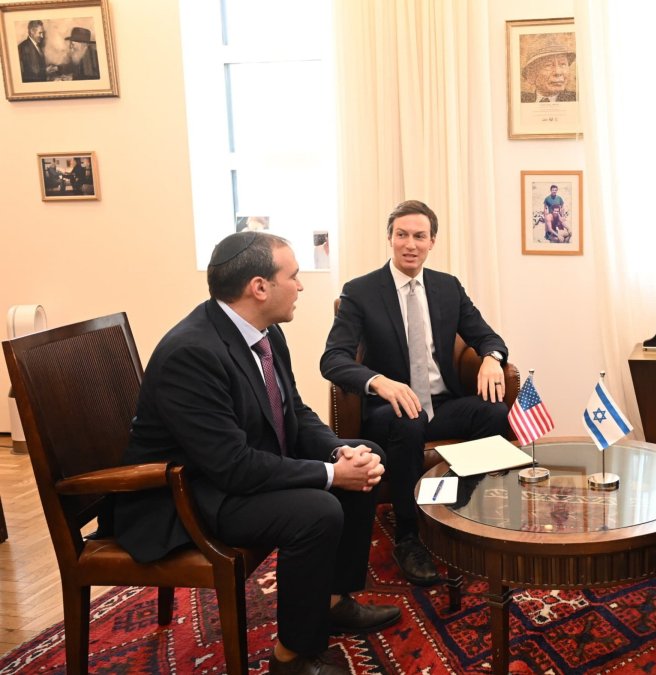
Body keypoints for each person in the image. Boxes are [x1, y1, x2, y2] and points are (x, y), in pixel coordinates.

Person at [115, 232, 401, 675]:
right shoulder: (192, 352)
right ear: (259, 287)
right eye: (294, 276)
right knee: (317, 509)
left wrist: (339, 454)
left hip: (232, 472)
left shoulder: (264, 332)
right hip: (188, 495)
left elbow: (295, 413)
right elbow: (231, 467)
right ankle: (292, 656)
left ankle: (332, 600)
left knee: (363, 453)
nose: (302, 286)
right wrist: (329, 475)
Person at [321, 200, 511, 587]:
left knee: (493, 413)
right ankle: (410, 536)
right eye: (402, 235)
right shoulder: (360, 292)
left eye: (419, 236)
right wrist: (378, 381)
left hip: (441, 404)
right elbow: (333, 358)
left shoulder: (447, 287)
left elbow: (487, 335)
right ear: (390, 239)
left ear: (431, 242)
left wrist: (491, 356)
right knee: (408, 423)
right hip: (390, 408)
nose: (410, 244)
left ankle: (461, 511)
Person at [519, 38, 576, 102]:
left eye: (562, 64)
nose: (558, 72)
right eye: (548, 65)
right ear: (531, 75)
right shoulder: (520, 100)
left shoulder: (576, 100)